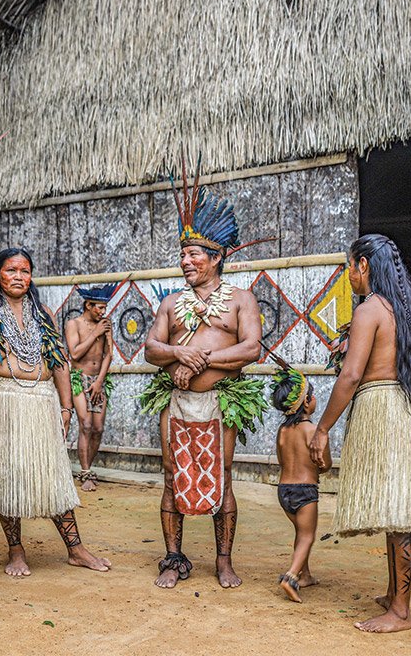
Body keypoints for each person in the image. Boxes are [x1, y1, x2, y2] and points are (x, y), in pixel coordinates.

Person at [308, 234, 411, 633]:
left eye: (350, 266)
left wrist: (322, 429)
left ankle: (401, 611)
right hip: (406, 412)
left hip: (383, 411)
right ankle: (394, 595)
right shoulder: (406, 311)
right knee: (394, 511)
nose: (349, 275)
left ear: (364, 265)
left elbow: (351, 375)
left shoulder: (370, 309)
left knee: (398, 515)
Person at [141, 164, 268, 590]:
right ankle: (173, 558)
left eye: (194, 255)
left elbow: (252, 348)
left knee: (224, 474)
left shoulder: (241, 299)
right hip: (176, 402)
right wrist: (179, 352)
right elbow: (151, 349)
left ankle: (223, 560)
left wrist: (201, 358)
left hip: (220, 401)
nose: (185, 261)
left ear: (216, 258)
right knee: (171, 474)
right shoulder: (171, 302)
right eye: (183, 255)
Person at [0, 248, 111, 577]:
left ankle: (76, 549)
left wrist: (66, 405)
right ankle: (15, 550)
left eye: (25, 271)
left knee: (53, 473)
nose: (18, 277)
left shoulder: (43, 312)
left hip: (42, 400)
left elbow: (59, 361)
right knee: (8, 474)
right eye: (11, 270)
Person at [270, 366, 328, 602]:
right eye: (312, 396)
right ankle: (291, 576)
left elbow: (282, 459)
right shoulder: (314, 430)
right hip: (305, 491)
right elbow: (325, 465)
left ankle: (305, 575)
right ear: (306, 402)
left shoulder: (282, 431)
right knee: (307, 536)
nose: (314, 399)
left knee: (300, 532)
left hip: (284, 491)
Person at [66, 283, 117, 492]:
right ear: (88, 305)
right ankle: (85, 472)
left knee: (98, 428)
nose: (103, 312)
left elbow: (109, 354)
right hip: (79, 378)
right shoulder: (74, 324)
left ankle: (89, 467)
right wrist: (95, 332)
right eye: (99, 308)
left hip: (98, 381)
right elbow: (75, 353)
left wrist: (99, 382)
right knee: (85, 424)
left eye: (105, 308)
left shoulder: (106, 324)